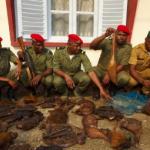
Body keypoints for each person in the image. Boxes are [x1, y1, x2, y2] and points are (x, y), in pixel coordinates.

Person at [53, 34, 111, 100]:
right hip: (63, 74)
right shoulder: (59, 52)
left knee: (86, 79)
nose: (79, 48)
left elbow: (90, 71)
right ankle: (64, 93)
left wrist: (101, 89)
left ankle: (77, 92)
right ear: (69, 44)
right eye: (76, 46)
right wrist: (66, 76)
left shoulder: (81, 53)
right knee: (57, 82)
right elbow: (55, 69)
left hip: (76, 74)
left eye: (80, 46)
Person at [90, 25, 132, 94]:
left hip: (116, 70)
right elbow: (92, 46)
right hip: (101, 69)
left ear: (127, 36)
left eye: (124, 35)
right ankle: (97, 88)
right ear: (115, 34)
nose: (121, 37)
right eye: (119, 34)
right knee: (91, 72)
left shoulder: (128, 47)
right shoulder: (107, 42)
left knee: (124, 78)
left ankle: (113, 86)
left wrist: (109, 74)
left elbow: (122, 65)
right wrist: (105, 35)